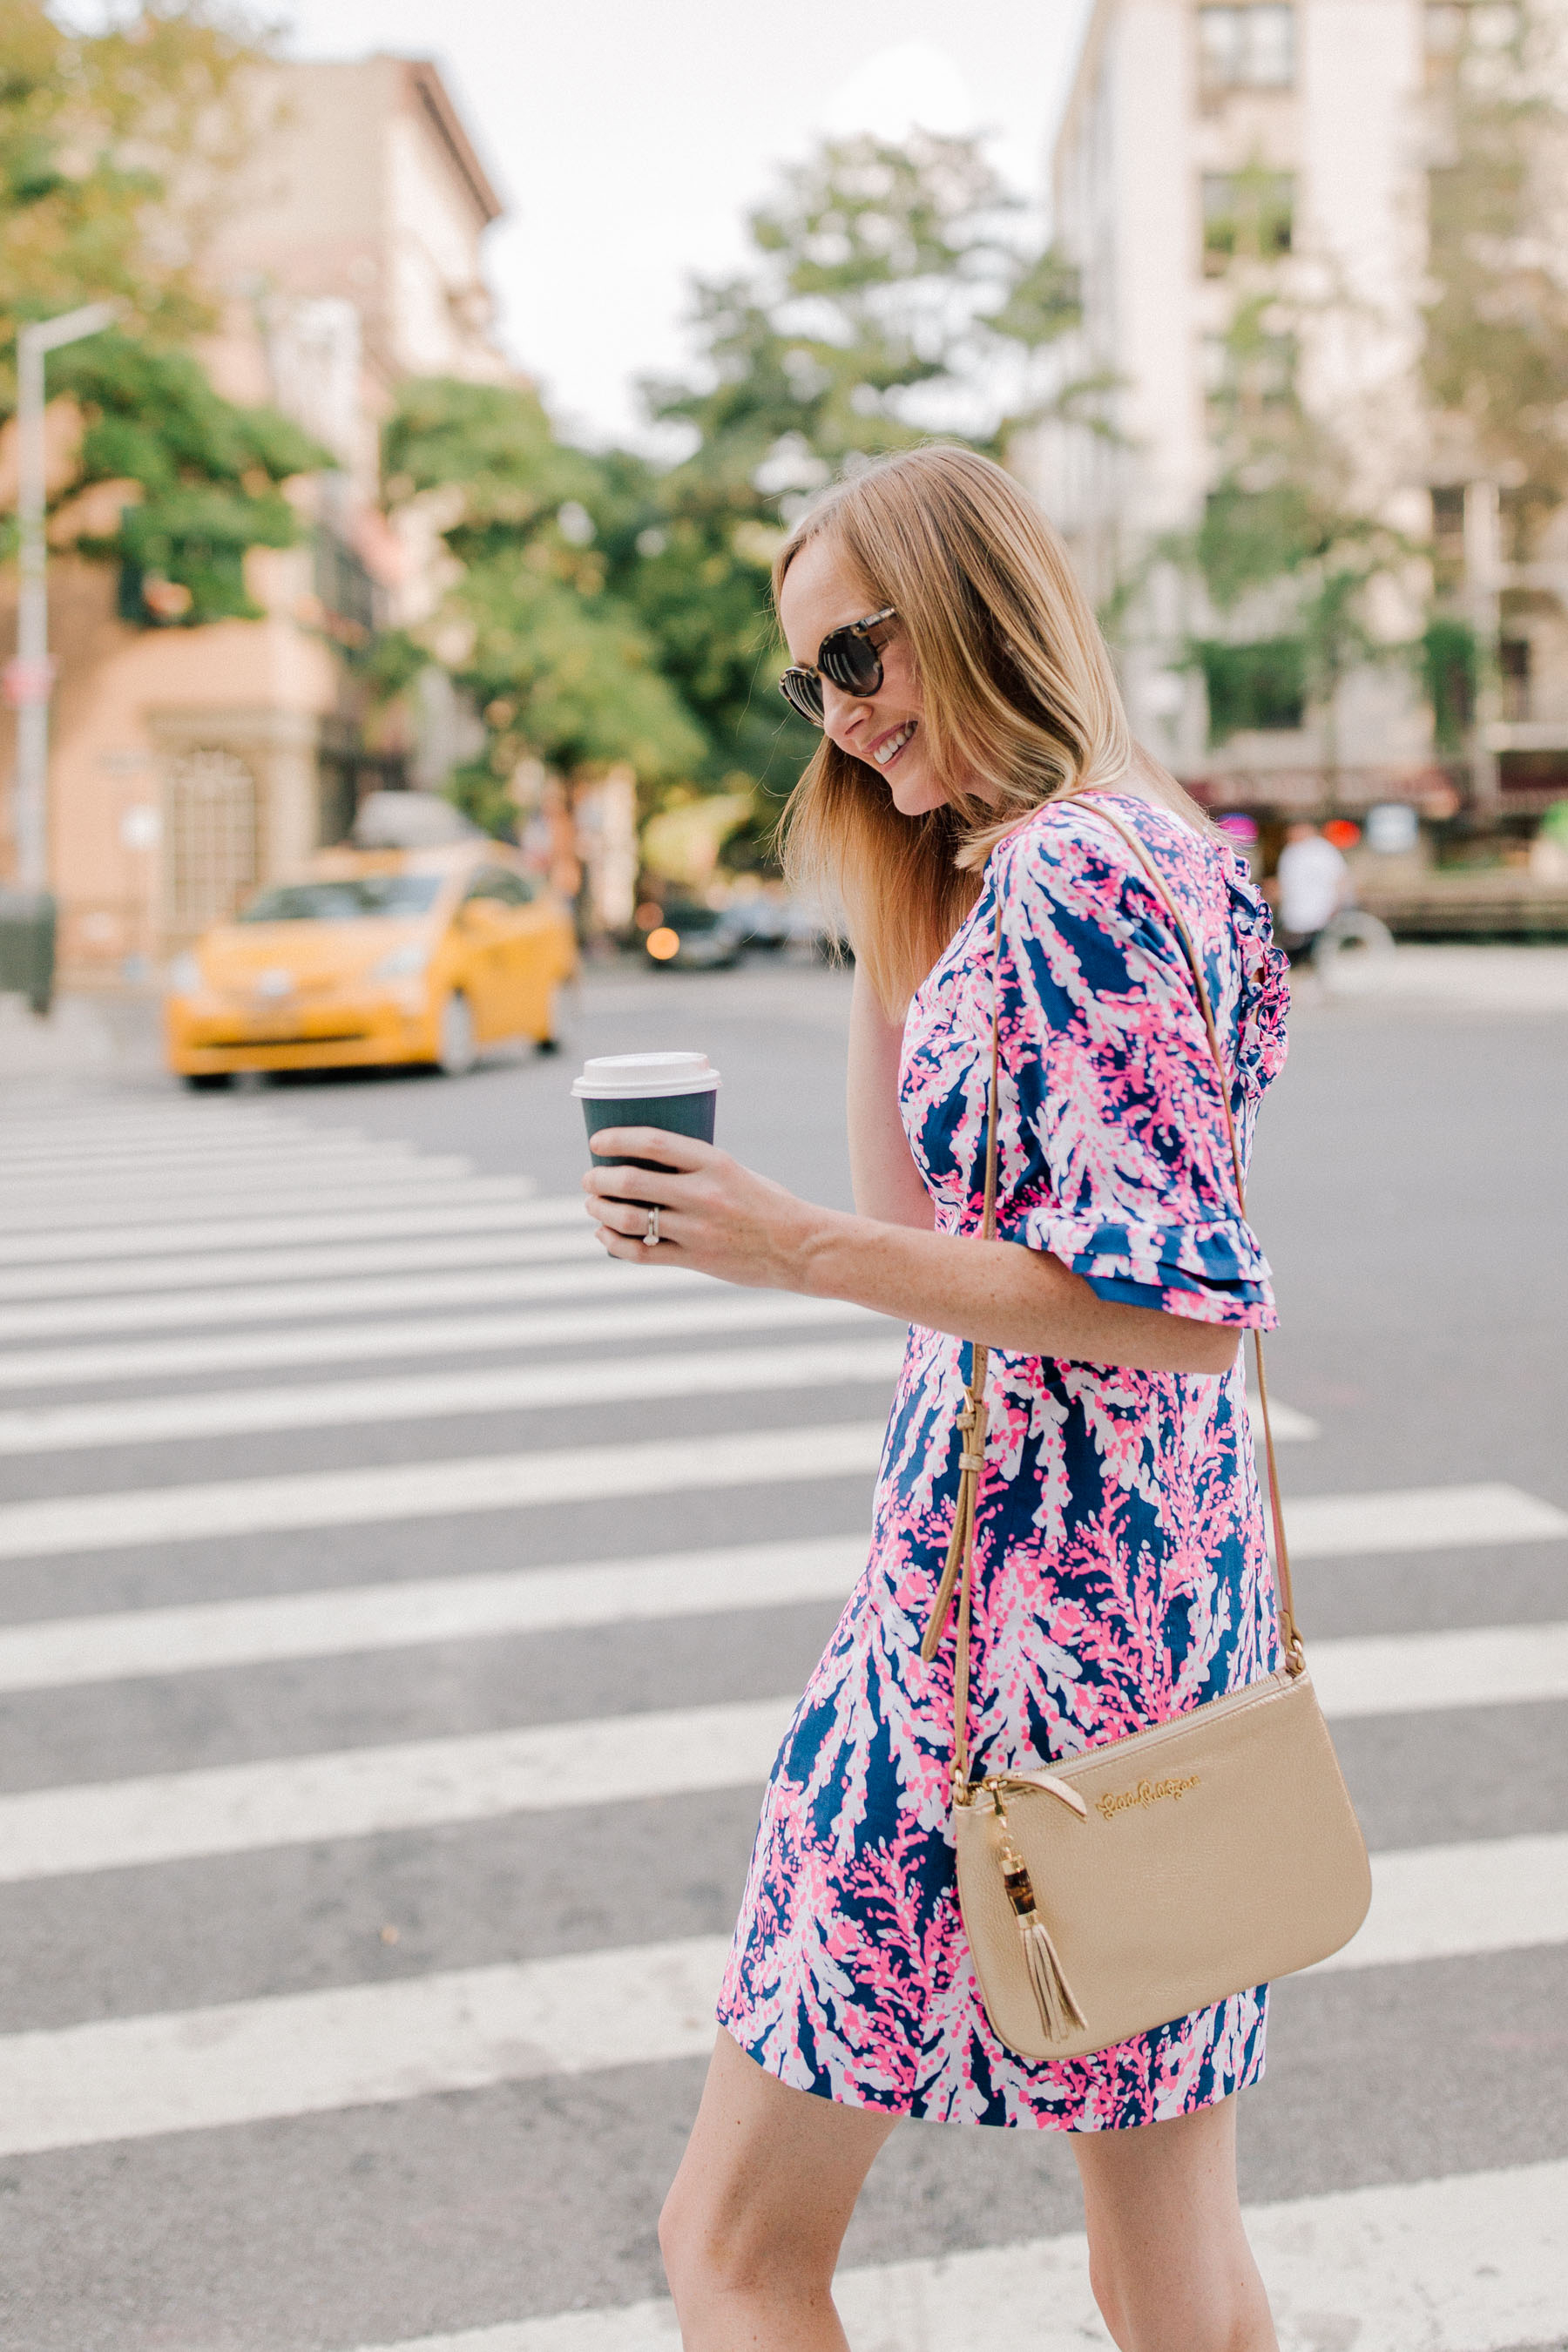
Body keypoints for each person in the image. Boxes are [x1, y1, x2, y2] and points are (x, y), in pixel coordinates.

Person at [582, 445, 1290, 2352]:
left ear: (985, 602)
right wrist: (903, 888)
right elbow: (938, 1215)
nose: (843, 710)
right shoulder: (1127, 852)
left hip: (998, 1642)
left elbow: (1181, 1305)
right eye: (810, 683)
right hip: (1138, 1621)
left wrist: (780, 1244)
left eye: (865, 652)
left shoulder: (1077, 873)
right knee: (1166, 2255)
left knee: (730, 2242)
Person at [1272, 820, 1348, 963]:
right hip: (1295, 919)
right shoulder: (1290, 852)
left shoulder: (1323, 850)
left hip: (1319, 915)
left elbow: (1340, 880)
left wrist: (1337, 907)